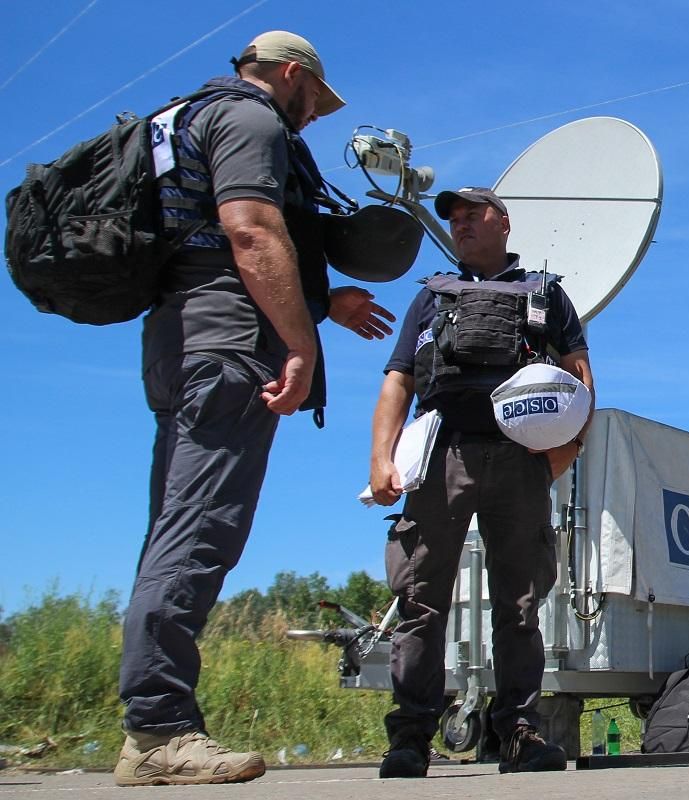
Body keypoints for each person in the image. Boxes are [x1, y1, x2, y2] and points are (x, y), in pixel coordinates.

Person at [115, 31, 396, 787]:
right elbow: (249, 228)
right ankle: (158, 729)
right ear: (292, 76)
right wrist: (299, 342)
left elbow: (205, 238)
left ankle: (152, 720)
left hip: (181, 332)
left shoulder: (179, 119)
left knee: (174, 526)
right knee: (201, 531)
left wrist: (319, 298)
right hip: (232, 343)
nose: (312, 117)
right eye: (313, 100)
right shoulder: (254, 118)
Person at [369, 187, 594, 778]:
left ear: (504, 223)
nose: (462, 224)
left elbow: (578, 380)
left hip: (519, 463)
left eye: (474, 214)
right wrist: (381, 458)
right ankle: (411, 738)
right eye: (456, 219)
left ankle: (518, 733)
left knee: (519, 607)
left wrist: (566, 450)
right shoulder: (431, 298)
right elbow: (398, 380)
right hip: (442, 456)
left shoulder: (548, 296)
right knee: (420, 601)